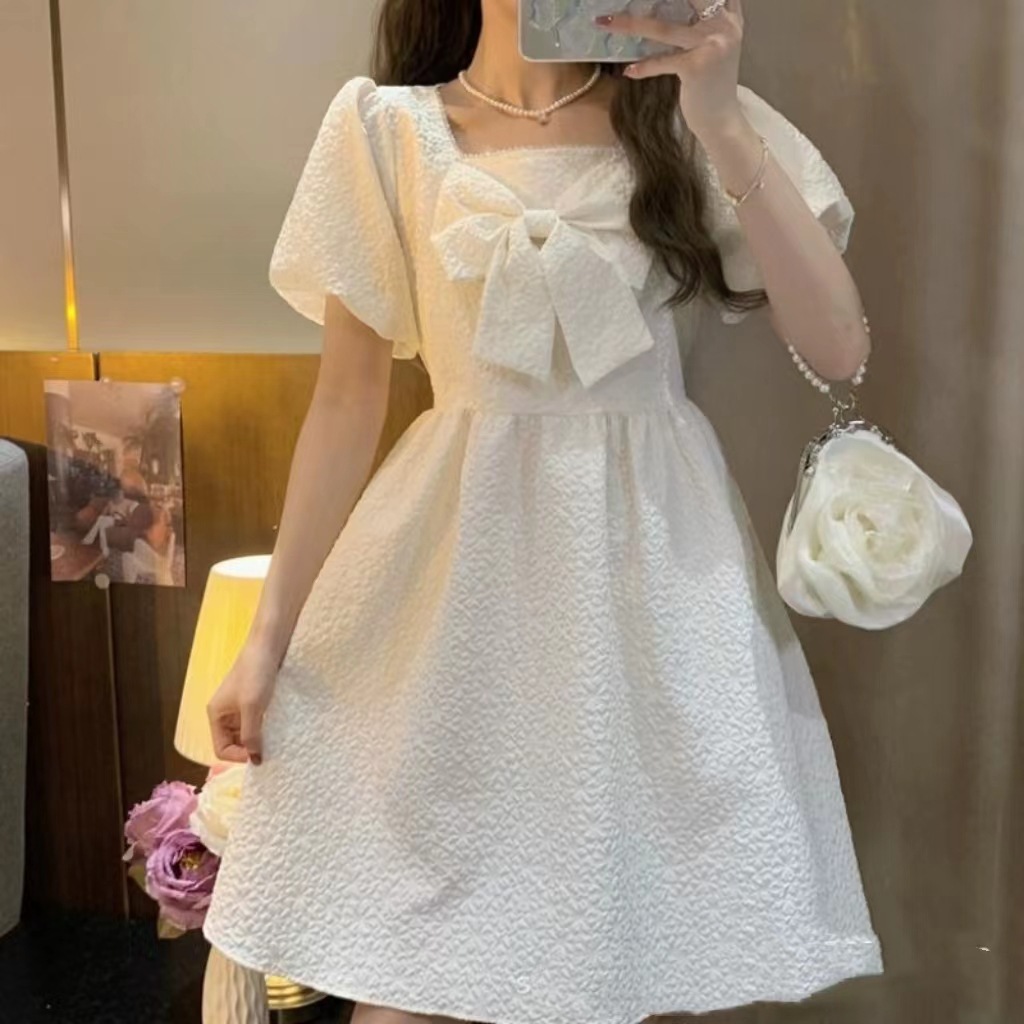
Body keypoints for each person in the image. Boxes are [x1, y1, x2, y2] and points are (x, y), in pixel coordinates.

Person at [202, 1, 886, 1020]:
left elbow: (840, 348)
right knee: (411, 968)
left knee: (621, 956)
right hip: (452, 588)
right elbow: (345, 403)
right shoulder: (386, 130)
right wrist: (266, 641)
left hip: (650, 590)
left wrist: (718, 116)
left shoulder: (686, 117)